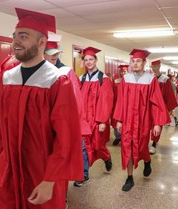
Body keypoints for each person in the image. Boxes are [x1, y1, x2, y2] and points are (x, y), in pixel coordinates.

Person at [0, 8, 84, 209]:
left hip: (42, 170)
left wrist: (51, 180)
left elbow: (66, 136)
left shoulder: (57, 81)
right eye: (15, 36)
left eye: (24, 36)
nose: (16, 41)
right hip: (9, 167)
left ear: (42, 42)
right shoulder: (8, 78)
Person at [114, 49, 170, 192]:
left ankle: (147, 160)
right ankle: (130, 177)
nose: (135, 64)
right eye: (133, 61)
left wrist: (157, 123)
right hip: (127, 120)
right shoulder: (126, 79)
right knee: (127, 147)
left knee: (141, 147)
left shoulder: (150, 80)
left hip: (143, 121)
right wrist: (119, 120)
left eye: (138, 61)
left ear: (144, 63)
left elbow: (156, 103)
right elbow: (120, 100)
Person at [44, 34, 92, 188]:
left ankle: (62, 196)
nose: (54, 57)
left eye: (56, 53)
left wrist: (76, 124)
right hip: (43, 125)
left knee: (63, 154)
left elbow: (75, 101)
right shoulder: (38, 73)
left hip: (61, 121)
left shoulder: (66, 72)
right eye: (51, 54)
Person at [79, 46, 114, 175]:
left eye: (91, 59)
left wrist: (103, 121)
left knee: (97, 145)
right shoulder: (81, 79)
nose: (88, 62)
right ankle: (84, 174)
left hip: (97, 120)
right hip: (83, 120)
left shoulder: (103, 79)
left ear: (96, 60)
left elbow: (106, 101)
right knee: (84, 146)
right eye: (86, 59)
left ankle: (106, 157)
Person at [149, 60, 178, 154]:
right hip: (149, 106)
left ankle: (154, 143)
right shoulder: (149, 78)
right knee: (148, 125)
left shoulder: (165, 79)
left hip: (160, 107)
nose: (153, 67)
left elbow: (169, 95)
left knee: (157, 125)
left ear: (159, 66)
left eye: (155, 65)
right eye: (152, 66)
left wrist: (169, 109)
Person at [112, 64, 129, 146]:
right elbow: (112, 93)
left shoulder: (130, 81)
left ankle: (126, 137)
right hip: (117, 104)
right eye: (122, 72)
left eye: (125, 71)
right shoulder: (116, 81)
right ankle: (118, 137)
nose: (123, 73)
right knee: (116, 120)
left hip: (127, 105)